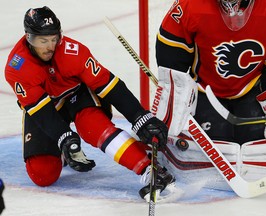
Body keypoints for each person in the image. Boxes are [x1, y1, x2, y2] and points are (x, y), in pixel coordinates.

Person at [4, 6, 175, 201]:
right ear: (28, 38)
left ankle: (150, 168)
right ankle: (62, 153)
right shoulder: (16, 67)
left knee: (93, 128)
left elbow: (109, 85)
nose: (50, 46)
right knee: (42, 174)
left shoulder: (73, 52)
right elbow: (41, 111)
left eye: (54, 39)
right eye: (43, 41)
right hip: (46, 107)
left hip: (77, 95)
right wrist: (64, 138)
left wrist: (139, 116)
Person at [153, 0, 266, 146]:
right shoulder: (189, 5)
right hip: (204, 90)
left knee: (257, 146)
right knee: (213, 145)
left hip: (253, 89)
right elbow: (170, 59)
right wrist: (176, 95)